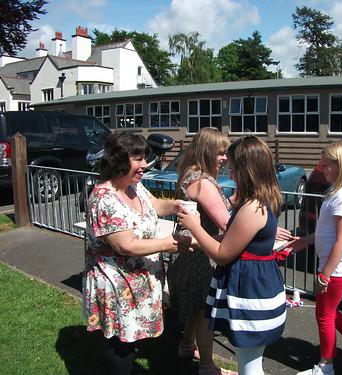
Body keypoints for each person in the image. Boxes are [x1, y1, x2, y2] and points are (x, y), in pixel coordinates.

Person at [177, 136, 287, 375]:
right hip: (258, 288)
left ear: (247, 170)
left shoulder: (251, 208)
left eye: (234, 168)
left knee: (249, 366)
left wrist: (194, 226)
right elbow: (234, 241)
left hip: (252, 294)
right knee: (251, 361)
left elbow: (223, 255)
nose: (230, 170)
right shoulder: (260, 201)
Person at [83, 132, 183, 374]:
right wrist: (168, 243)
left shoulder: (133, 186)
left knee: (131, 339)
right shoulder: (103, 198)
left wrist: (176, 205)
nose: (144, 165)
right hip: (118, 285)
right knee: (121, 344)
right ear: (118, 160)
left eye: (144, 158)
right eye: (137, 159)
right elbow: (125, 245)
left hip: (137, 280)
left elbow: (154, 205)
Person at [289, 141, 342, 375]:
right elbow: (328, 232)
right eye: (322, 164)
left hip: (337, 268)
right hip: (335, 266)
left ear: (341, 166)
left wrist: (325, 273)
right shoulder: (337, 192)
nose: (321, 169)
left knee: (324, 314)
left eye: (327, 165)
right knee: (330, 311)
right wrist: (304, 241)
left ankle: (325, 366)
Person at [166, 127, 236, 375]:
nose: (224, 158)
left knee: (196, 308)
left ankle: (186, 347)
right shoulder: (202, 182)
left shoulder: (191, 174)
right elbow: (227, 223)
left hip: (188, 252)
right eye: (220, 152)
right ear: (206, 152)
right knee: (206, 311)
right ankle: (207, 367)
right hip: (197, 255)